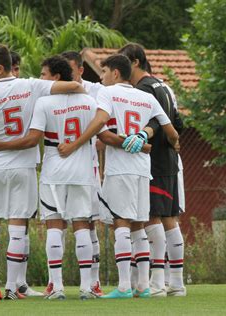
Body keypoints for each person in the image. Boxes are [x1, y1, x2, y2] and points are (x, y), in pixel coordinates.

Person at [0, 43, 85, 300]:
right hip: (23, 165)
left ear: (0, 68)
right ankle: (12, 285)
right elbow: (75, 86)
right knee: (18, 225)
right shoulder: (31, 85)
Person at [57, 54, 179, 299]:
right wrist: (172, 144)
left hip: (119, 169)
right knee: (139, 226)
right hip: (143, 170)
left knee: (120, 224)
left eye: (103, 73)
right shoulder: (146, 97)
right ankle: (143, 286)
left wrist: (76, 143)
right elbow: (171, 131)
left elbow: (101, 126)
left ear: (114, 73)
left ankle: (124, 286)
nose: (101, 78)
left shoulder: (108, 93)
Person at [0, 55, 100, 300]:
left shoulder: (44, 103)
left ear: (56, 77)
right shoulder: (90, 102)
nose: (41, 79)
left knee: (54, 227)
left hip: (54, 171)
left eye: (44, 74)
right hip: (81, 171)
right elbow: (99, 132)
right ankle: (86, 287)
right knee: (82, 226)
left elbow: (33, 138)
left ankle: (57, 288)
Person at [118, 43, 186, 297]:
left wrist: (146, 136)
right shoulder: (163, 85)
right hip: (168, 159)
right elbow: (177, 123)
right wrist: (173, 139)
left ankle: (157, 283)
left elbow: (154, 121)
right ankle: (176, 283)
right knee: (169, 218)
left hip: (153, 160)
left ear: (134, 62)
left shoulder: (144, 89)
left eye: (123, 62)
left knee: (152, 218)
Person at [60, 51, 103, 296]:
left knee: (88, 222)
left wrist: (93, 142)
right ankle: (55, 282)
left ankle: (92, 281)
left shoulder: (95, 91)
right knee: (57, 224)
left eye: (71, 70)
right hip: (60, 168)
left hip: (88, 166)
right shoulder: (52, 91)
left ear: (80, 70)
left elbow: (105, 127)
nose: (67, 76)